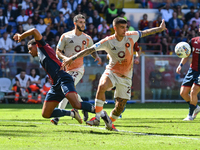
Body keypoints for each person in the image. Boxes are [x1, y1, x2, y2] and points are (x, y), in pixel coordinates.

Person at [62, 17, 166, 131]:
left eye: (125, 27)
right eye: (122, 27)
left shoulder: (131, 35)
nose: (124, 30)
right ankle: (97, 117)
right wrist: (73, 58)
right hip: (112, 71)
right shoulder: (108, 41)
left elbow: (146, 32)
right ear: (115, 28)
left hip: (126, 76)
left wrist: (160, 29)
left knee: (119, 108)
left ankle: (109, 121)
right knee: (101, 86)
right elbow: (90, 49)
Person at [13, 28, 96, 124]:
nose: (29, 51)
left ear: (36, 44)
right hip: (56, 83)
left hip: (63, 78)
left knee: (76, 103)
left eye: (30, 48)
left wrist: (21, 36)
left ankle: (100, 113)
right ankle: (72, 114)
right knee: (45, 114)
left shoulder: (42, 47)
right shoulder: (40, 55)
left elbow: (35, 30)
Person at [50, 14, 101, 125]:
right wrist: (65, 58)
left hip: (78, 69)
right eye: (81, 22)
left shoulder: (87, 38)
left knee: (66, 91)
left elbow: (92, 50)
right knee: (69, 91)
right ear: (75, 23)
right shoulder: (66, 36)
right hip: (66, 69)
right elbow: (58, 51)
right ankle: (84, 107)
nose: (83, 24)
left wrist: (96, 56)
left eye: (84, 22)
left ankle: (57, 117)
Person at [176, 35, 200, 121]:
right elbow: (186, 54)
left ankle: (190, 115)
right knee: (183, 93)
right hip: (192, 70)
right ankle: (196, 107)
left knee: (193, 91)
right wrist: (180, 65)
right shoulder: (193, 41)